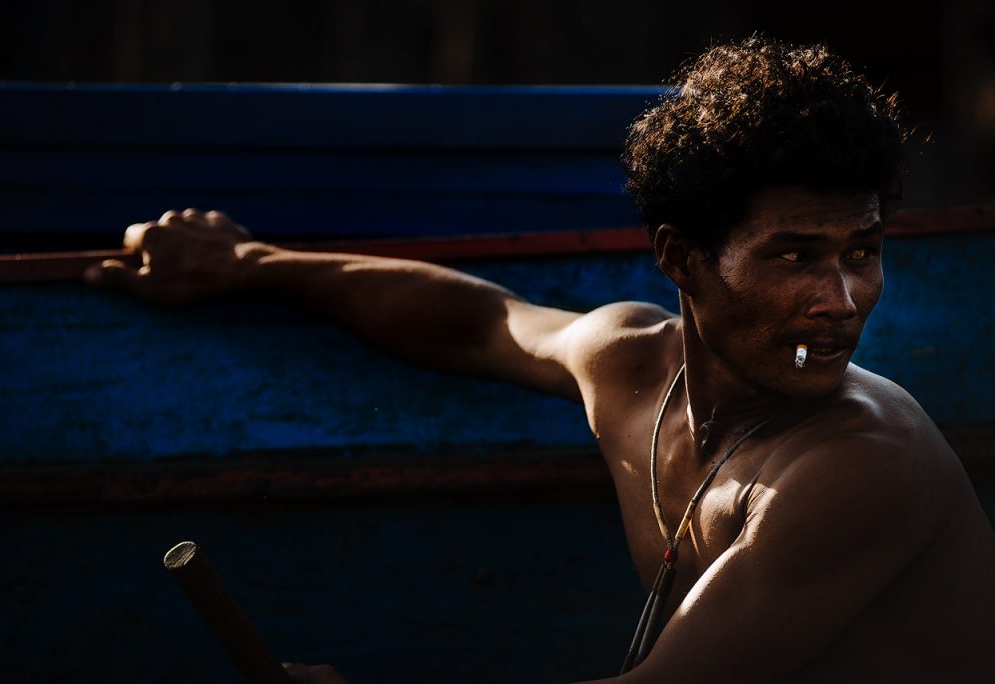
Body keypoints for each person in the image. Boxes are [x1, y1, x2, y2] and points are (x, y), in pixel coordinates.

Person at [85, 36, 995, 682]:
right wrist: (250, 265)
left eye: (861, 252)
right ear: (680, 257)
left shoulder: (863, 464)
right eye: (793, 255)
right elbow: (477, 322)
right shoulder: (630, 365)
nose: (839, 300)